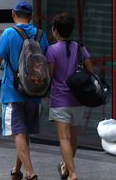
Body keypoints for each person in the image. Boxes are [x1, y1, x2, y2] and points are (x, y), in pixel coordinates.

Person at [0, 0, 50, 180]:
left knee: (18, 132)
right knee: (24, 131)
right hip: (35, 90)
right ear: (32, 16)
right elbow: (48, 62)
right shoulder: (41, 34)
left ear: (13, 13)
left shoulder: (9, 33)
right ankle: (16, 169)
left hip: (13, 91)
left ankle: (30, 173)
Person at [46, 13, 93, 180]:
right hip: (78, 99)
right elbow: (90, 70)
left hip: (60, 99)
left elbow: (49, 75)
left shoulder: (51, 50)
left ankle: (72, 173)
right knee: (73, 138)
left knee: (64, 138)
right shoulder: (80, 48)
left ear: (55, 30)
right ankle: (66, 167)